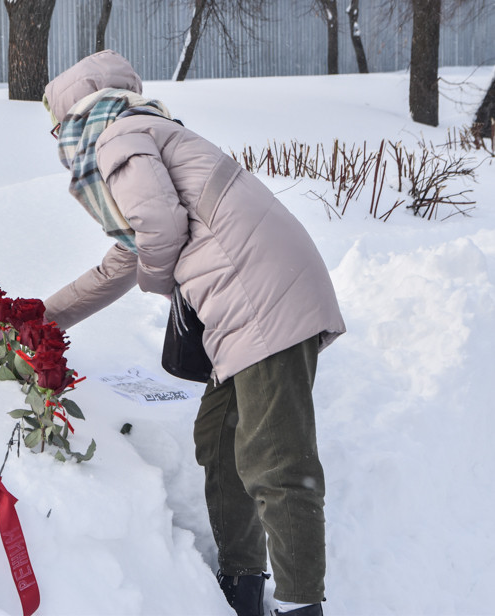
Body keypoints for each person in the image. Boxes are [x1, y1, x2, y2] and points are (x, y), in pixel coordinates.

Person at [40, 50, 346, 616]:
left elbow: (158, 231)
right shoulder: (145, 131)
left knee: (277, 460)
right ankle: (241, 586)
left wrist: (162, 281)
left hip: (261, 297)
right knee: (221, 438)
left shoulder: (117, 134)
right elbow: (126, 257)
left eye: (56, 127)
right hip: (252, 295)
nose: (60, 141)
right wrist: (39, 317)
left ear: (74, 115)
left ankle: (302, 605)